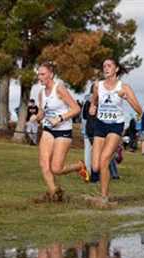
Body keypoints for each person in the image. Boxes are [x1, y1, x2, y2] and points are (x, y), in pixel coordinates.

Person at [88, 58, 143, 208]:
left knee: (104, 159)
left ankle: (104, 197)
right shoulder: (97, 85)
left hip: (115, 126)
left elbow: (139, 110)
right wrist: (93, 107)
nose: (105, 68)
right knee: (95, 167)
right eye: (104, 66)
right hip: (100, 125)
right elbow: (94, 100)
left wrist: (126, 98)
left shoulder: (124, 87)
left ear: (116, 69)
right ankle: (102, 192)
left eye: (109, 66)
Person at [34, 62, 87, 202]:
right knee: (44, 164)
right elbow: (42, 113)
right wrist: (36, 117)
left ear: (51, 74)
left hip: (63, 130)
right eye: (38, 74)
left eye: (42, 74)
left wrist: (60, 118)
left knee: (56, 169)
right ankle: (55, 194)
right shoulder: (41, 93)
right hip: (48, 129)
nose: (39, 77)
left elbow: (76, 109)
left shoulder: (60, 88)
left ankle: (80, 166)